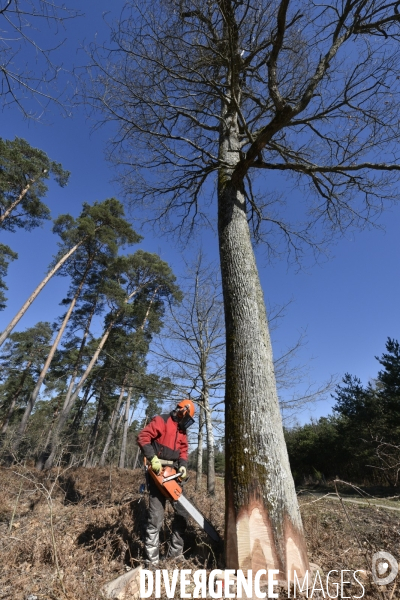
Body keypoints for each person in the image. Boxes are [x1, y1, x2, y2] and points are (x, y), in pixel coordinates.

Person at [137, 399, 196, 564]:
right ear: (182, 410)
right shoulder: (161, 420)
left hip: (174, 473)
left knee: (183, 511)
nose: (186, 422)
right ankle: (152, 560)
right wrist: (152, 458)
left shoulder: (182, 430)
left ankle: (175, 554)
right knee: (156, 516)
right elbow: (143, 437)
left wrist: (183, 466)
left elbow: (183, 450)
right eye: (186, 418)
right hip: (157, 470)